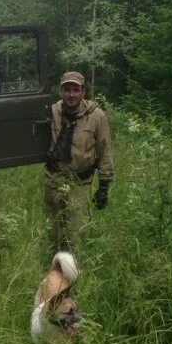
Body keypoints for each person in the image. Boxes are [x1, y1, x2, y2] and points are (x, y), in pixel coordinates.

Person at [44, 71, 113, 253]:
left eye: (76, 90)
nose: (71, 94)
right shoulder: (51, 112)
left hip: (80, 183)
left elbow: (105, 151)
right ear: (61, 91)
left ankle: (75, 272)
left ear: (83, 92)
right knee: (53, 231)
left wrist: (104, 185)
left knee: (76, 233)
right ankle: (54, 269)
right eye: (67, 90)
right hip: (54, 180)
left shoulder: (97, 116)